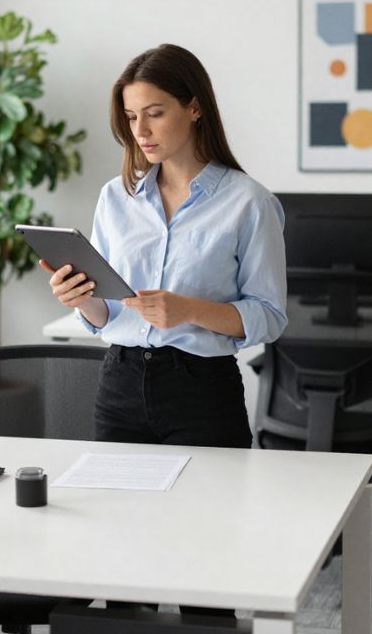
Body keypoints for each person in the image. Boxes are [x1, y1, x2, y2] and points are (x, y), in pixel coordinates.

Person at [41, 43, 287, 619]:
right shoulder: (115, 198)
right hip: (121, 387)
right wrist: (82, 301)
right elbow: (109, 314)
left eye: (154, 112)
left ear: (194, 107)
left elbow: (270, 318)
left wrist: (190, 310)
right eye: (130, 117)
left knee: (206, 574)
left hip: (200, 393)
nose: (140, 130)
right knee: (123, 570)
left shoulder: (249, 203)